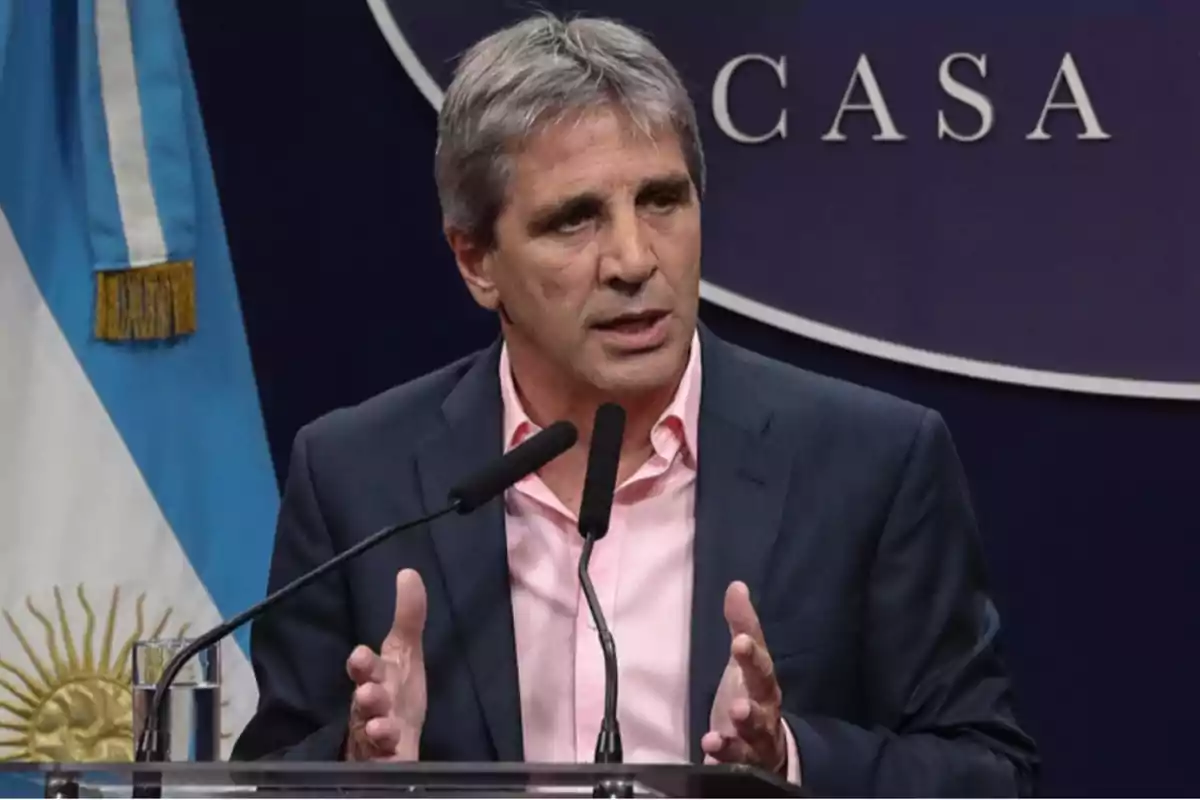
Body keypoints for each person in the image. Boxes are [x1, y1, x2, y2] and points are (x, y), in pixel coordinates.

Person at [231, 12, 1038, 795]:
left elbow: (987, 774)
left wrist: (787, 760)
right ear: (476, 259)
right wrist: (357, 770)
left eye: (661, 200)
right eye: (575, 219)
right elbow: (274, 774)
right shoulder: (357, 478)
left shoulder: (872, 462)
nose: (632, 258)